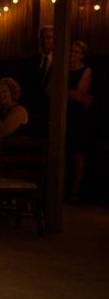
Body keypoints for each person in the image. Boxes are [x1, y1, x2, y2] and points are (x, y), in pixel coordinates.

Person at [66, 40, 94, 202]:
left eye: (76, 52)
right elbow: (48, 91)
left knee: (77, 153)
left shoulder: (86, 70)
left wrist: (66, 93)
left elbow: (79, 93)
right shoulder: (61, 68)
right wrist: (74, 95)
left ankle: (74, 193)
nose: (73, 55)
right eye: (71, 51)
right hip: (63, 114)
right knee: (62, 152)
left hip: (78, 117)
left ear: (82, 55)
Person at [23, 25, 54, 136]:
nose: (45, 41)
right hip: (32, 108)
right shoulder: (31, 61)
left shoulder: (61, 61)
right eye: (43, 38)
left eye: (49, 38)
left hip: (51, 109)